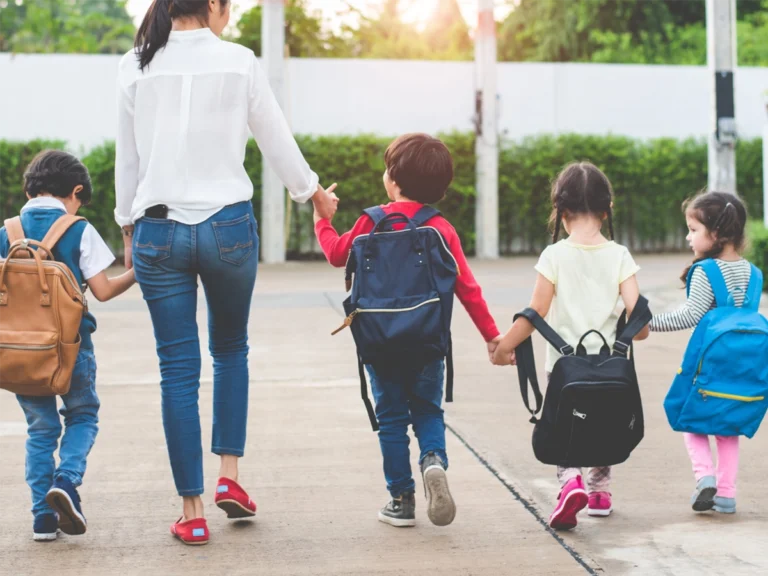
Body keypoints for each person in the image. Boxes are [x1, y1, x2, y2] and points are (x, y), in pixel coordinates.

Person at [116, 0, 337, 545]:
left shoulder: (135, 63)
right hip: (229, 229)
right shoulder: (240, 61)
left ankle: (191, 513)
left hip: (158, 230)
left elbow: (129, 158)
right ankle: (229, 478)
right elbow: (275, 138)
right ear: (213, 5)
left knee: (177, 369)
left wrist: (127, 225)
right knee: (231, 349)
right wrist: (313, 194)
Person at [315, 133, 500, 528]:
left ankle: (401, 500)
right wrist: (492, 335)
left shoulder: (370, 221)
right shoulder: (441, 228)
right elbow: (467, 288)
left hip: (379, 342)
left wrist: (322, 220)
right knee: (429, 410)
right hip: (428, 341)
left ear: (393, 180)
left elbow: (336, 255)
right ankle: (433, 461)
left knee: (392, 419)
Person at [492, 162, 648, 531]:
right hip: (611, 365)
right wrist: (630, 335)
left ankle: (570, 483)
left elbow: (536, 313)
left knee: (566, 425)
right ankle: (600, 493)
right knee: (604, 420)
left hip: (564, 367)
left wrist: (503, 347)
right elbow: (638, 319)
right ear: (606, 209)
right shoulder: (620, 255)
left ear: (562, 212)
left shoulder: (555, 256)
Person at [1, 150, 135, 541]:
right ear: (76, 191)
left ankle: (43, 518)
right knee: (83, 415)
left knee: (40, 430)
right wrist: (137, 272)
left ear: (30, 187)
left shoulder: (6, 231)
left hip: (18, 354)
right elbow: (104, 291)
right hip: (70, 348)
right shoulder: (78, 229)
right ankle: (67, 481)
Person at [649, 192, 751, 515]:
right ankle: (727, 495)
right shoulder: (753, 273)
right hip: (741, 367)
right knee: (728, 428)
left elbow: (688, 316)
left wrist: (647, 323)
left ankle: (705, 476)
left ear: (716, 234)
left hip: (708, 365)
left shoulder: (707, 271)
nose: (687, 236)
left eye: (693, 229)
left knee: (688, 418)